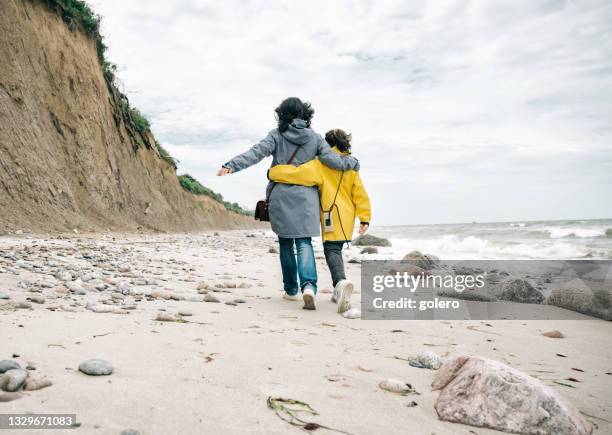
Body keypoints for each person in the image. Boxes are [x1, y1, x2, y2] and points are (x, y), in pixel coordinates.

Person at [217, 98, 359, 310]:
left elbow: (255, 153)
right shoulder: (315, 138)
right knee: (304, 243)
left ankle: (291, 290)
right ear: (305, 114)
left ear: (282, 114)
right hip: (307, 199)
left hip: (281, 196)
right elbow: (335, 162)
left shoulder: (276, 135)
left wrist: (231, 166)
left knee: (285, 243)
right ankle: (309, 287)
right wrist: (353, 162)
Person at [267, 129, 371, 313]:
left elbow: (296, 173)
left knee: (331, 250)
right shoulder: (351, 169)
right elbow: (360, 195)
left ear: (327, 145)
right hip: (348, 217)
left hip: (330, 214)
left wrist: (273, 172)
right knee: (336, 250)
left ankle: (340, 283)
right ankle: (338, 289)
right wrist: (365, 218)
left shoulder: (320, 165)